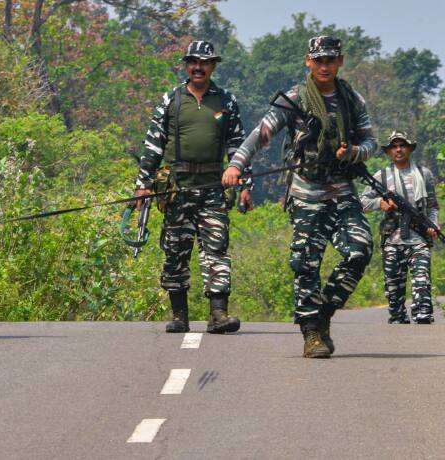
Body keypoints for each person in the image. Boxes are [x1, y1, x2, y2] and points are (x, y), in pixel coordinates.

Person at [222, 35, 377, 358]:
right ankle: (311, 334)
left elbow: (371, 143)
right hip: (306, 192)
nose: (324, 66)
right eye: (318, 60)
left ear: (340, 62)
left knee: (359, 250)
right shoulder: (295, 99)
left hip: (342, 190)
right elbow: (259, 135)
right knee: (307, 264)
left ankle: (322, 314)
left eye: (330, 60)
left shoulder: (351, 99)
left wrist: (354, 153)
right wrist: (237, 165)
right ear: (308, 61)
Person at [134, 40, 253, 335]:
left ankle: (218, 315)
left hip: (214, 188)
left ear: (213, 66)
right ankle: (180, 316)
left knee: (216, 250)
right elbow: (152, 146)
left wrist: (245, 183)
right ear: (186, 65)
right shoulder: (171, 101)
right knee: (175, 251)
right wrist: (142, 185)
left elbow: (239, 147)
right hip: (178, 189)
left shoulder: (226, 102)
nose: (198, 67)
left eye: (204, 62)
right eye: (192, 62)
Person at [360, 131, 440, 324]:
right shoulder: (382, 176)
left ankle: (423, 316)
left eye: (402, 145)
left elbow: (432, 207)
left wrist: (433, 225)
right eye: (394, 146)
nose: (398, 149)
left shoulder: (424, 174)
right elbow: (362, 201)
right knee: (394, 291)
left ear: (410, 149)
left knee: (422, 281)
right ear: (388, 152)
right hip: (392, 241)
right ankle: (398, 320)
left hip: (418, 239)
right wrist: (380, 203)